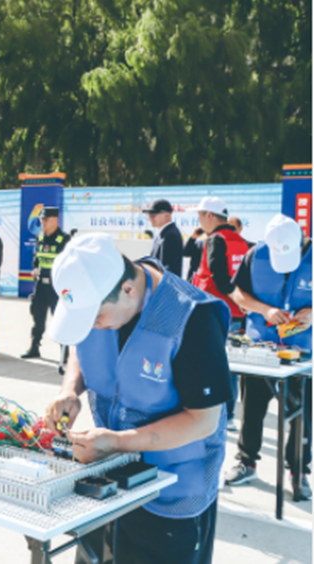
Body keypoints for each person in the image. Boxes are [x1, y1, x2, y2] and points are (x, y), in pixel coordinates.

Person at [44, 233, 231, 564]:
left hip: (172, 490)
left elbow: (203, 420)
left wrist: (118, 442)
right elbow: (82, 344)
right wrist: (70, 389)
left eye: (95, 318)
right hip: (107, 474)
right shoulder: (108, 302)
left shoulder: (191, 317)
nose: (93, 327)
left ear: (129, 290)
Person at [224, 214, 312, 498]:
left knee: (303, 414)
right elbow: (238, 293)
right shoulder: (255, 254)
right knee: (252, 408)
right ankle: (246, 462)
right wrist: (265, 310)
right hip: (260, 347)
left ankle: (298, 470)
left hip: (302, 351)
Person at [191, 196, 248, 427]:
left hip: (216, 312)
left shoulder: (216, 239)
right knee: (231, 365)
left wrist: (234, 295)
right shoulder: (241, 241)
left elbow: (219, 275)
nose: (198, 221)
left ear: (209, 215)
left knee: (213, 363)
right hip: (238, 313)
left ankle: (215, 415)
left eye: (199, 215)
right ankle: (230, 415)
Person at [22, 207, 70, 359]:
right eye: (42, 219)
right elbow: (37, 258)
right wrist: (35, 268)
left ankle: (65, 354)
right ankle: (34, 347)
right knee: (38, 317)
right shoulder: (40, 237)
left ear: (55, 220)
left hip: (57, 287)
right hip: (41, 285)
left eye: (46, 219)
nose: (43, 222)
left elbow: (69, 263)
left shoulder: (65, 239)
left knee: (60, 320)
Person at [142, 198, 183, 276]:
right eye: (149, 214)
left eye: (153, 214)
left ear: (167, 215)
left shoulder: (170, 236)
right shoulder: (165, 233)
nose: (150, 217)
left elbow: (166, 270)